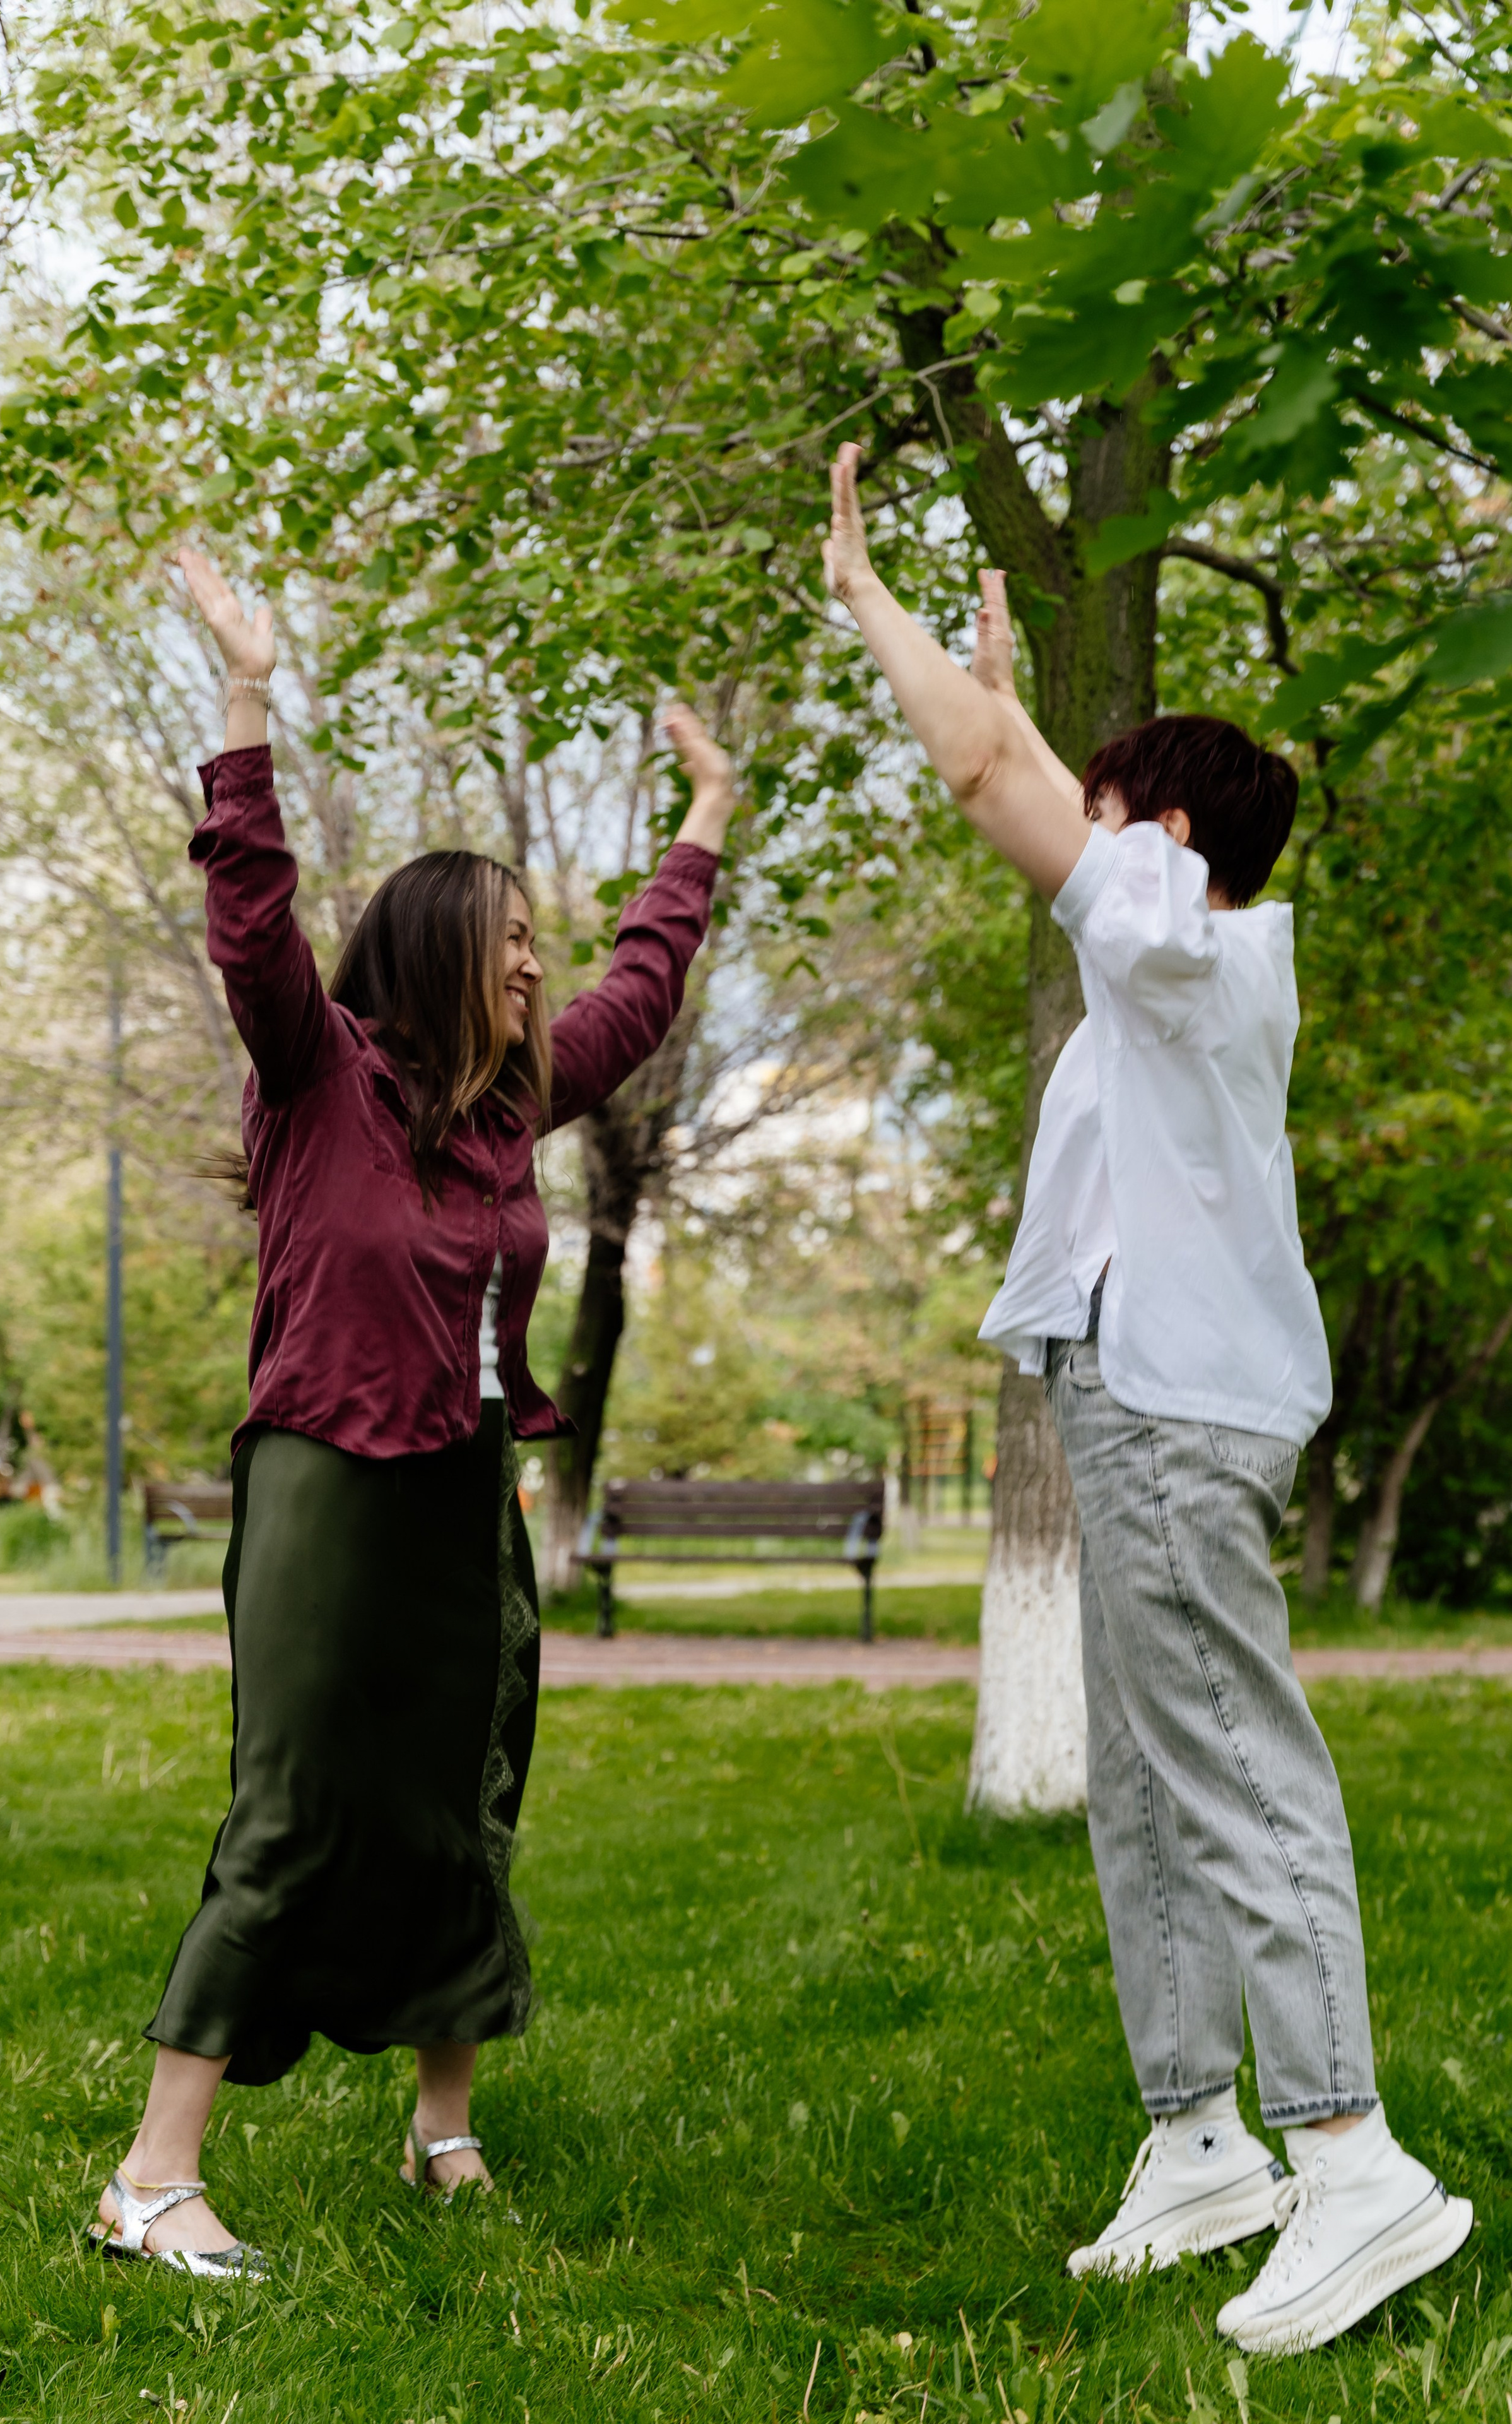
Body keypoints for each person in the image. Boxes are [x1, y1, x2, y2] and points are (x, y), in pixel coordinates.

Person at [822, 441, 1473, 2355]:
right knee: (1147, 1772)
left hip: (1180, 1412)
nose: (1062, 851)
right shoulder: (1162, 973)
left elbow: (981, 779)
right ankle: (1201, 2136)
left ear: (1162, 839)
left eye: (1100, 819)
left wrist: (871, 603)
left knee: (1234, 1765)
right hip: (1128, 1394)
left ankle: (1352, 2161)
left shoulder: (1194, 948)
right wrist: (1019, 712)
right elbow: (1011, 770)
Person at [88, 552, 735, 2278]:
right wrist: (246, 694)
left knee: (468, 1795)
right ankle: (154, 2174)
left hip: (464, 1495)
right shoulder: (319, 1075)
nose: (538, 966)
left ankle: (443, 2126)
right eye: (515, 941)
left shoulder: (508, 1111)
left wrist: (710, 821)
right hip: (324, 1486)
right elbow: (249, 913)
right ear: (446, 951)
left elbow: (642, 989)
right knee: (294, 1812)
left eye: (539, 945)